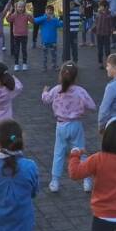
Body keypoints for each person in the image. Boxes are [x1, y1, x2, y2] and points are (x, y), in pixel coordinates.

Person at [41, 62, 97, 193]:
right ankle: (87, 181)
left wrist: (44, 92)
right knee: (81, 152)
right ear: (76, 77)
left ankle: (55, 181)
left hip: (61, 125)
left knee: (59, 153)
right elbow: (92, 106)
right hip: (76, 124)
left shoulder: (56, 89)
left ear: (61, 75)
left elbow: (46, 100)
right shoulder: (80, 91)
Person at [33, 4, 64, 72]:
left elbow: (61, 24)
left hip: (53, 42)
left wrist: (61, 19)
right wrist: (44, 17)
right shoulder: (43, 19)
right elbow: (35, 20)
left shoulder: (54, 20)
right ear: (45, 11)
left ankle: (55, 66)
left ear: (53, 12)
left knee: (54, 56)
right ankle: (44, 67)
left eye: (50, 10)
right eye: (47, 10)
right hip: (45, 42)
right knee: (44, 56)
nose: (49, 12)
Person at [5, 0, 33, 72]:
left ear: (24, 8)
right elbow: (7, 20)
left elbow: (33, 21)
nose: (20, 8)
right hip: (16, 35)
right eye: (19, 7)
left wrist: (31, 15)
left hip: (24, 35)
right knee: (16, 50)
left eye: (22, 7)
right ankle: (16, 64)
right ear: (16, 8)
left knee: (24, 50)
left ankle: (24, 64)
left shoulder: (26, 15)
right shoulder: (14, 15)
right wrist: (9, 12)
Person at [94, 0, 113, 68]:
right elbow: (96, 23)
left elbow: (111, 25)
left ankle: (108, 63)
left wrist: (112, 32)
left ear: (106, 7)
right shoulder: (98, 14)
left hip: (106, 34)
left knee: (107, 50)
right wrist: (94, 29)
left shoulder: (109, 15)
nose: (100, 7)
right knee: (100, 49)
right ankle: (100, 62)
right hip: (99, 34)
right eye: (100, 6)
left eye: (101, 6)